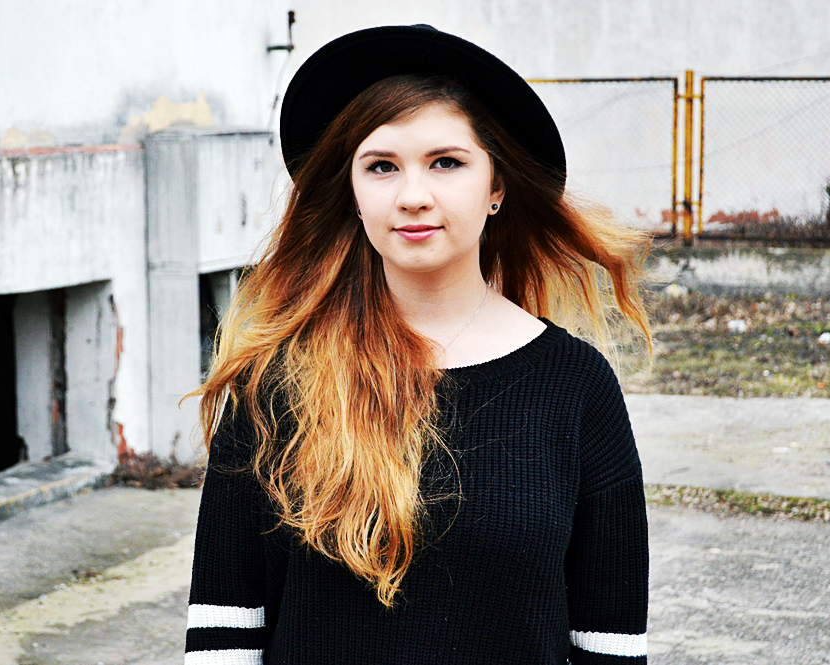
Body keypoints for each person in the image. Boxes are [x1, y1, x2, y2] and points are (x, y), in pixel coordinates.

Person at [183, 24, 652, 665]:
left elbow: (611, 644)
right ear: (352, 193)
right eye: (381, 166)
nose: (412, 196)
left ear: (496, 188)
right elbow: (225, 632)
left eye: (446, 163)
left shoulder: (576, 385)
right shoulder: (274, 380)